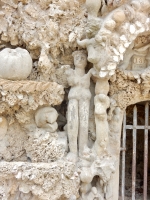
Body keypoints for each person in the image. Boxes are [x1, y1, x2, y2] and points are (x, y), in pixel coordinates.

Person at [66, 50, 94, 162]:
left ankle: (83, 148)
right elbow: (73, 82)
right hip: (74, 98)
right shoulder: (71, 72)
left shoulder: (88, 73)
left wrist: (89, 74)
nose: (80, 60)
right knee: (73, 123)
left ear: (87, 61)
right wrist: (88, 75)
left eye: (83, 58)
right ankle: (73, 151)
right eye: (77, 57)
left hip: (84, 98)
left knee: (84, 123)